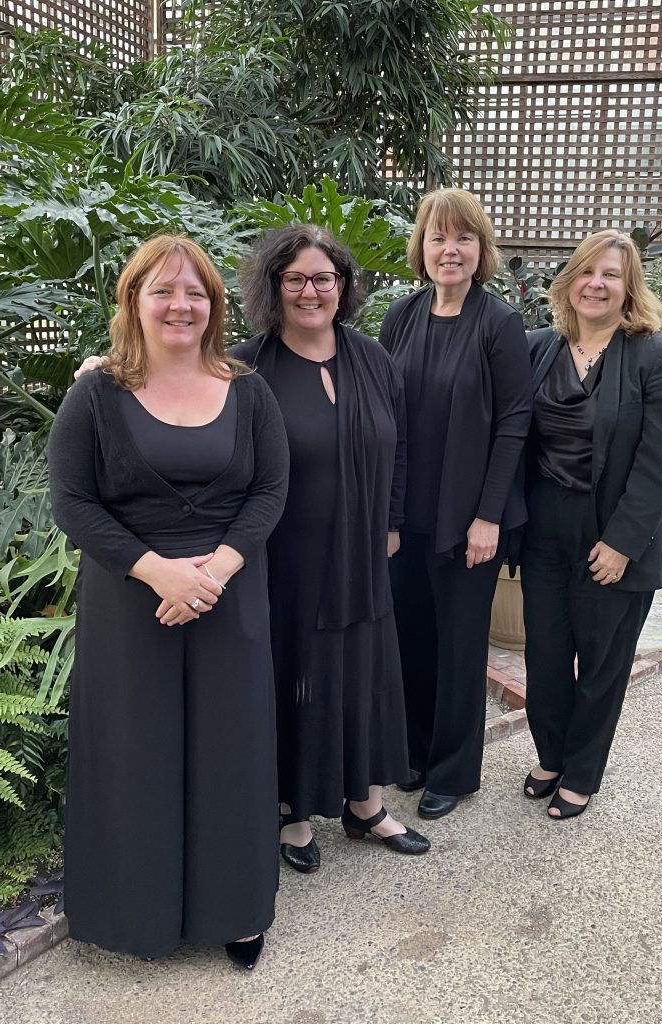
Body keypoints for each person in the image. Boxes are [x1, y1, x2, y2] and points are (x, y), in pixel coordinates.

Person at [48, 235, 289, 968]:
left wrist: (212, 571)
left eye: (196, 293)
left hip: (228, 595)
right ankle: (138, 915)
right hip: (131, 602)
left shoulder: (247, 388)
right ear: (134, 301)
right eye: (163, 290)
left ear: (214, 307)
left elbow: (269, 489)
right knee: (135, 755)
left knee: (232, 753)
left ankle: (237, 911)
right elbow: (73, 501)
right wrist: (160, 573)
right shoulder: (95, 393)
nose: (181, 304)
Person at [233, 225, 429, 870]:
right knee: (299, 677)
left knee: (367, 673)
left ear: (343, 287)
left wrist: (394, 521)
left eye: (324, 279)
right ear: (274, 287)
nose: (311, 291)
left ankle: (365, 805)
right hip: (287, 556)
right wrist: (101, 369)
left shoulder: (372, 357)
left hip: (365, 549)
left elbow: (398, 447)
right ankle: (292, 814)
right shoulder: (248, 367)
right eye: (296, 279)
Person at [520, 229, 662, 819]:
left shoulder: (655, 355)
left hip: (613, 530)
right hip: (544, 526)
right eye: (587, 272)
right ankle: (551, 753)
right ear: (569, 283)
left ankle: (583, 771)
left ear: (628, 288)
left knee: (602, 661)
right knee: (543, 654)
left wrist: (621, 541)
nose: (597, 284)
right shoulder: (537, 347)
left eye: (611, 275)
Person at [379, 188, 533, 820]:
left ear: (480, 250)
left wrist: (489, 515)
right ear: (422, 246)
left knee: (460, 644)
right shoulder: (402, 315)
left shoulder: (497, 322)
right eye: (439, 237)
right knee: (410, 637)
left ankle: (454, 770)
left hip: (467, 516)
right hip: (404, 512)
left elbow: (515, 420)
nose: (451, 249)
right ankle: (415, 753)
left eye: (464, 238)